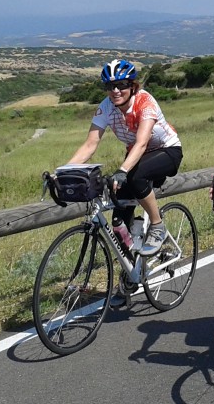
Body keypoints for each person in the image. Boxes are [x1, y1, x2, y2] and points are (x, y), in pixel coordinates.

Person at [67, 59, 182, 265]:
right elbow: (90, 144)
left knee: (136, 176)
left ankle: (157, 226)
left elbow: (141, 142)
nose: (116, 91)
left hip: (167, 151)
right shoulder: (106, 107)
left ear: (132, 85)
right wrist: (65, 172)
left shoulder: (145, 102)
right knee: (118, 220)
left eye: (121, 85)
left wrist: (122, 170)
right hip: (136, 157)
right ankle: (131, 272)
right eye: (110, 86)